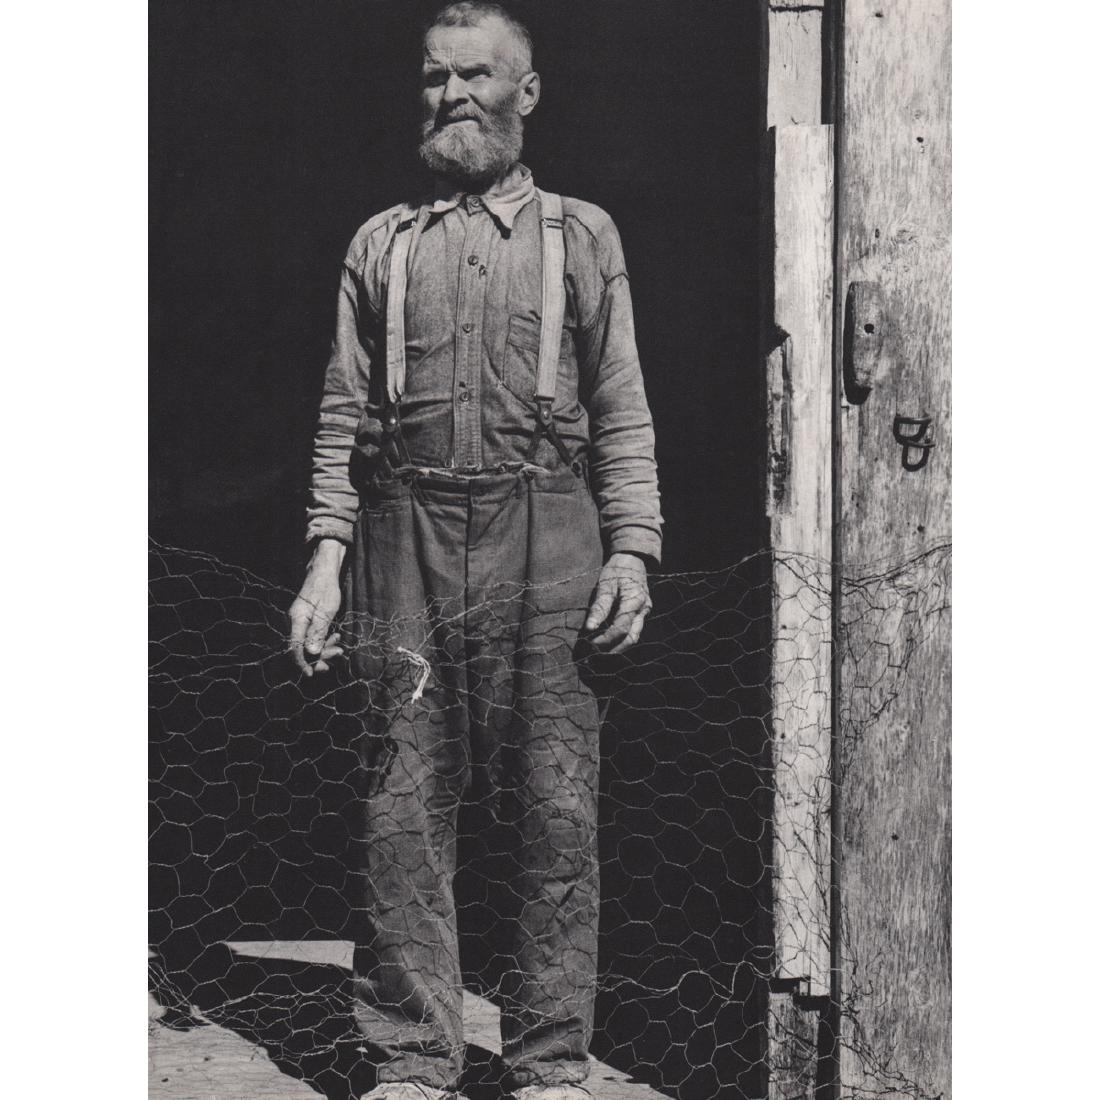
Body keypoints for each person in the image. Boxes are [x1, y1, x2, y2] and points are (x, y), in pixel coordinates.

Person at [288, 5, 662, 1098]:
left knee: (556, 805)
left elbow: (623, 407)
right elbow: (338, 417)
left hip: (549, 527)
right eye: (433, 77)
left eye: (475, 76)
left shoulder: (580, 235)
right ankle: (409, 1057)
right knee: (400, 803)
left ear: (525, 93)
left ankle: (549, 1062)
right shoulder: (380, 243)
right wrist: (324, 556)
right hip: (402, 536)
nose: (451, 95)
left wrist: (631, 551)